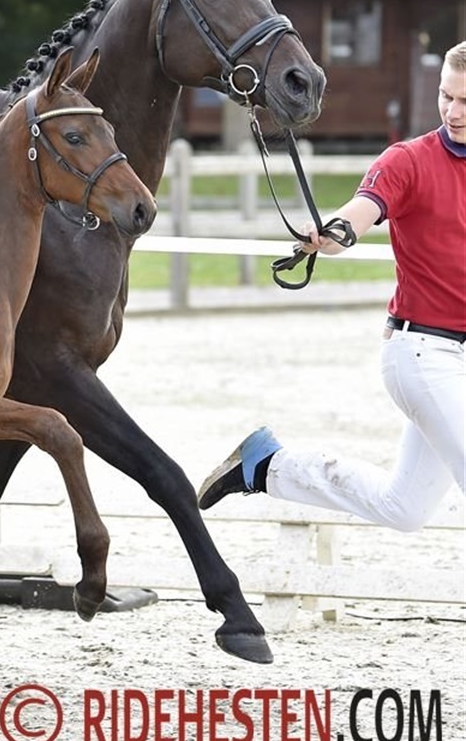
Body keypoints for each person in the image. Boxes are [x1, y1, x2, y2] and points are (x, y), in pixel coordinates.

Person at [197, 41, 466, 532]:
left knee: (404, 509)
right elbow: (360, 212)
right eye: (446, 96)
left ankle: (267, 465)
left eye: (465, 101)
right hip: (424, 355)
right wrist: (332, 232)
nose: (453, 112)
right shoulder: (407, 161)